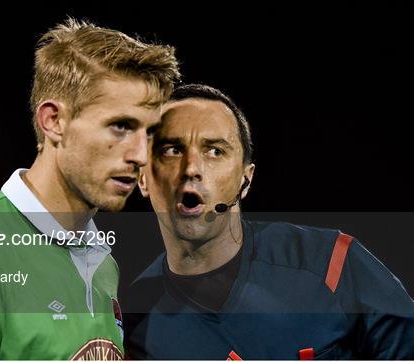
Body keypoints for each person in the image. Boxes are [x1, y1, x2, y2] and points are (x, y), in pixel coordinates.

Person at [0, 18, 179, 359]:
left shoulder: (102, 262)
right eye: (120, 126)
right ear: (53, 121)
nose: (139, 155)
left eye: (149, 133)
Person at [124, 84, 414, 359]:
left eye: (215, 151)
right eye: (171, 150)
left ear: (245, 179)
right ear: (143, 178)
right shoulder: (134, 325)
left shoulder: (331, 263)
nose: (192, 169)